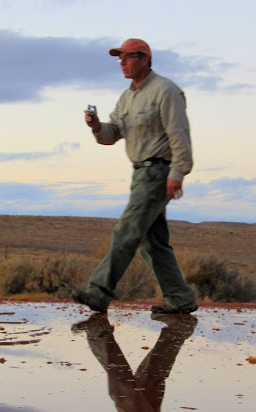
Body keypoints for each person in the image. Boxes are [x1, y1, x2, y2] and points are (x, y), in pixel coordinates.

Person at [71, 38, 198, 315]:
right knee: (153, 243)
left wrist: (177, 173)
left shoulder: (165, 91)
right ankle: (181, 298)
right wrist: (96, 126)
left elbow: (179, 135)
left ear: (144, 59)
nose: (122, 63)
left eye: (127, 58)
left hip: (158, 171)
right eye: (120, 59)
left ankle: (99, 292)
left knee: (126, 231)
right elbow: (112, 134)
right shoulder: (127, 97)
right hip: (141, 173)